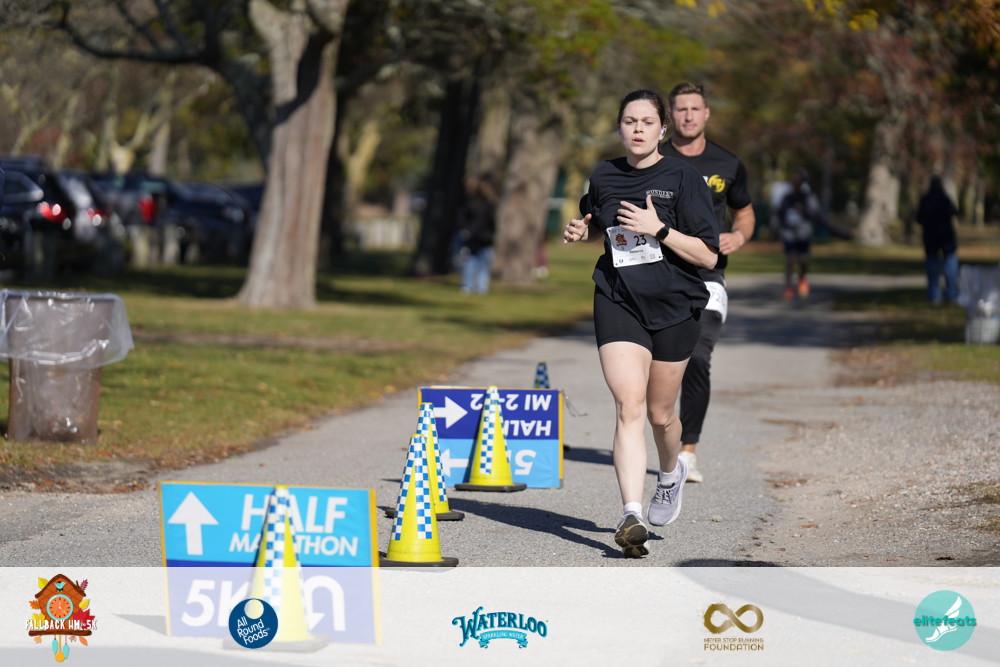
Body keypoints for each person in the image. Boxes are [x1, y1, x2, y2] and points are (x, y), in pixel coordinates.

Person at [563, 89, 719, 557]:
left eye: (647, 122)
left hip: (675, 305)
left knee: (660, 414)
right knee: (628, 406)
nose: (637, 129)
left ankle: (670, 474)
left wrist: (660, 230)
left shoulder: (683, 178)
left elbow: (708, 256)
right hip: (619, 298)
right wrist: (582, 229)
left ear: (662, 129)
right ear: (619, 127)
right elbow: (594, 217)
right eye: (629, 121)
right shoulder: (604, 173)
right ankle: (631, 514)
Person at [660, 82, 755, 484]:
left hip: (708, 275)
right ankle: (662, 437)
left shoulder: (728, 163)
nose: (688, 116)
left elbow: (744, 212)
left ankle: (688, 452)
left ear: (706, 114)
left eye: (695, 109)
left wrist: (740, 236)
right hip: (662, 273)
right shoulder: (656, 159)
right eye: (681, 109)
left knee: (698, 355)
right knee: (660, 365)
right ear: (671, 116)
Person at [775, 168, 824, 299]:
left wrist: (803, 209)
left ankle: (802, 278)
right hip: (789, 232)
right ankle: (788, 286)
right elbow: (780, 213)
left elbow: (815, 213)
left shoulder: (808, 197)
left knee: (803, 259)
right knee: (790, 258)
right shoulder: (787, 197)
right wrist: (777, 228)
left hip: (803, 232)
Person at [915, 175, 959, 304]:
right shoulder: (945, 199)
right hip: (946, 237)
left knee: (932, 267)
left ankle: (934, 296)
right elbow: (954, 212)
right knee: (950, 264)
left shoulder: (925, 199)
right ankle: (952, 295)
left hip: (931, 237)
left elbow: (919, 218)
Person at [456, 173, 498, 294]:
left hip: (473, 237)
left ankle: (467, 285)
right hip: (484, 238)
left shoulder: (469, 203)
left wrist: (467, 231)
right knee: (482, 263)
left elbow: (462, 219)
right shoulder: (488, 205)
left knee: (471, 261)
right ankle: (481, 287)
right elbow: (490, 222)